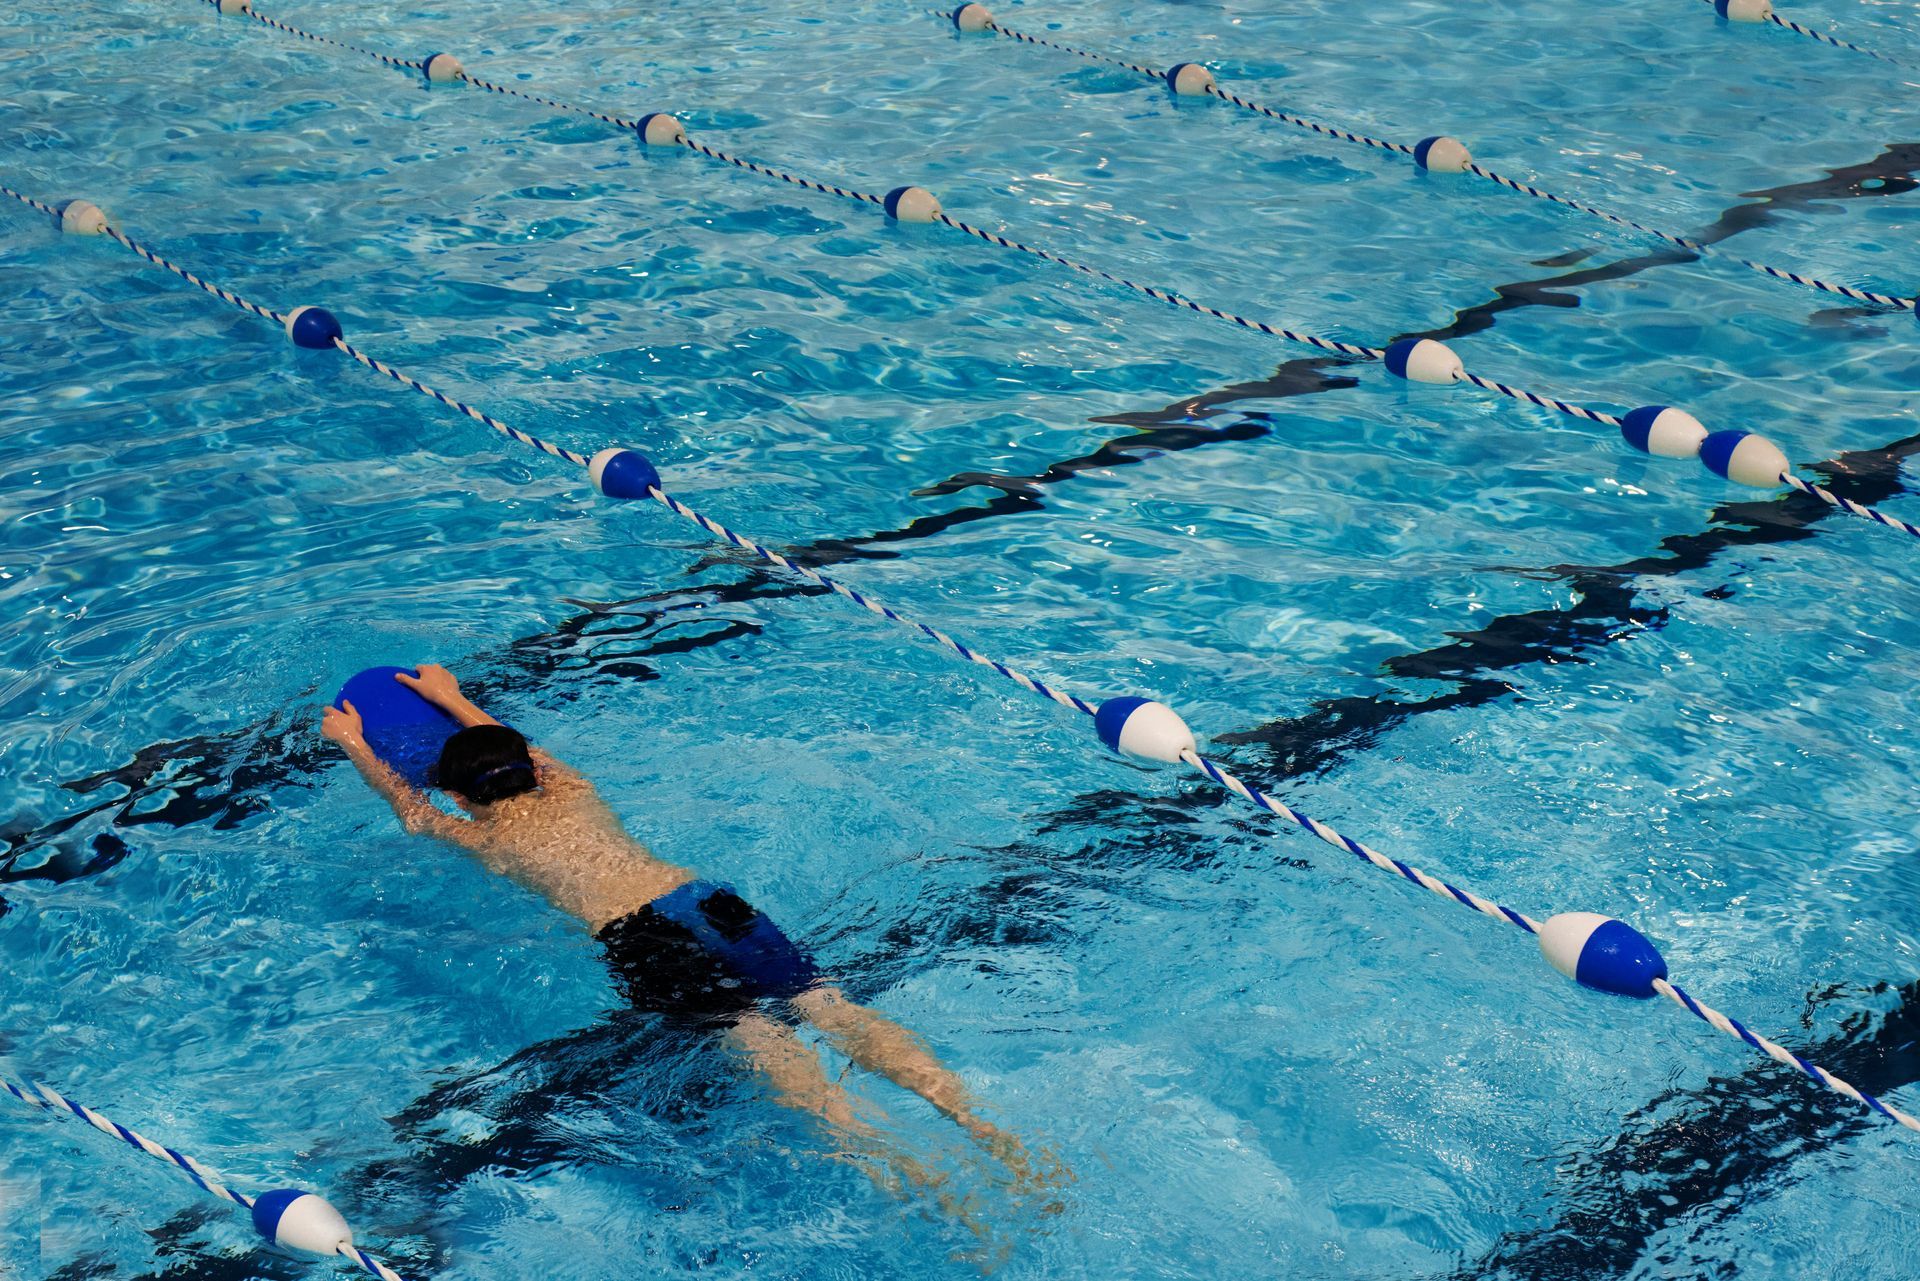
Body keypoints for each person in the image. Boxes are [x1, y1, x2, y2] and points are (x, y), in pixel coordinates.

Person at [320, 663, 1045, 1194]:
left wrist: (356, 742)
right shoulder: (574, 791)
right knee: (831, 1007)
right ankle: (985, 1128)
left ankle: (919, 1179)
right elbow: (521, 748)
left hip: (643, 937)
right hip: (706, 900)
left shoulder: (489, 840)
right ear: (530, 772)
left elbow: (412, 813)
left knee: (759, 1040)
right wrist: (452, 698)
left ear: (458, 794)